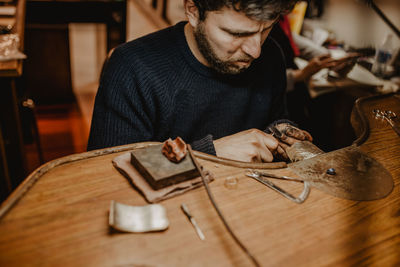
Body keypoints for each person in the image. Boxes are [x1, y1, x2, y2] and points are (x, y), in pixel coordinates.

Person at [88, 0, 312, 162]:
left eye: (266, 29)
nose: (255, 51)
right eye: (236, 34)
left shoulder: (272, 54)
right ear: (193, 11)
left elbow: (275, 116)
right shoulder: (131, 67)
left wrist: (280, 132)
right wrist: (208, 154)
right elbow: (107, 175)